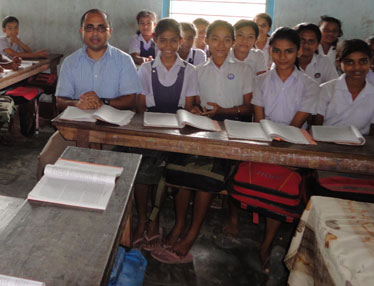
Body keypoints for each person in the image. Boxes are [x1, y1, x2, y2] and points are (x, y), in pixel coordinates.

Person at [151, 20, 253, 263]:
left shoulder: (244, 70)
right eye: (214, 38)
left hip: (229, 132)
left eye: (226, 39)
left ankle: (192, 232)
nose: (220, 44)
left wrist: (226, 110)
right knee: (179, 170)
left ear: (233, 42)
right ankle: (178, 225)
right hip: (202, 129)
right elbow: (193, 102)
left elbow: (249, 107)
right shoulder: (198, 71)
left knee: (205, 176)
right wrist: (196, 110)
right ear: (205, 41)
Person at [227, 28, 319, 272]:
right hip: (264, 141)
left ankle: (266, 244)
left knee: (280, 188)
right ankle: (236, 220)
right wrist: (265, 147)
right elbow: (259, 119)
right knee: (236, 167)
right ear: (270, 51)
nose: (282, 56)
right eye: (276, 51)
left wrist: (279, 151)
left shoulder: (309, 85)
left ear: (299, 52)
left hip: (293, 145)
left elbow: (296, 126)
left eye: (289, 51)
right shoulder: (262, 80)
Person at [37, 9, 142, 179]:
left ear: (110, 32)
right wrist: (77, 103)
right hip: (75, 130)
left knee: (108, 174)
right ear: (82, 32)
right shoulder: (71, 62)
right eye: (89, 28)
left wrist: (103, 102)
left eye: (101, 28)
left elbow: (131, 100)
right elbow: (60, 101)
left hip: (113, 132)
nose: (95, 33)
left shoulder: (123, 60)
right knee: (46, 161)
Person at [133, 18, 199, 251]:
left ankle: (156, 218)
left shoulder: (189, 71)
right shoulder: (145, 69)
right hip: (150, 129)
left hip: (177, 132)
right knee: (142, 168)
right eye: (163, 40)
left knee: (178, 170)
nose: (169, 45)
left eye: (174, 40)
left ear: (181, 41)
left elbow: (188, 108)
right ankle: (143, 218)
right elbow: (141, 106)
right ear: (155, 41)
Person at [314, 39, 374, 135]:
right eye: (350, 62)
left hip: (360, 146)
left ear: (371, 61)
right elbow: (316, 127)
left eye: (363, 61)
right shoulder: (325, 89)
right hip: (326, 143)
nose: (357, 67)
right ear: (339, 64)